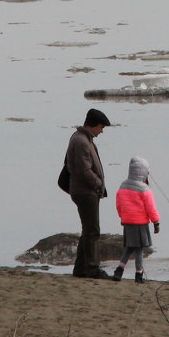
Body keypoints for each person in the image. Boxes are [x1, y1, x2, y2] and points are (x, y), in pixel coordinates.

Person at [66, 108, 112, 279]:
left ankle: (80, 269)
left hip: (85, 190)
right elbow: (84, 170)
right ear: (93, 125)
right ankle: (92, 268)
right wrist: (98, 183)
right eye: (101, 127)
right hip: (85, 191)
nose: (102, 131)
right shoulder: (81, 141)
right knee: (92, 231)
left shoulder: (83, 138)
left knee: (88, 230)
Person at [112, 156, 160, 283]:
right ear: (143, 173)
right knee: (139, 250)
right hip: (140, 224)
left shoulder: (123, 185)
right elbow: (151, 208)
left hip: (127, 222)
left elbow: (119, 204)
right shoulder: (144, 189)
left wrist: (122, 216)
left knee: (129, 248)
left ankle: (119, 270)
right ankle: (139, 275)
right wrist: (156, 222)